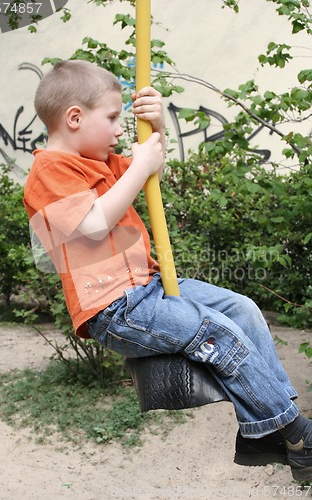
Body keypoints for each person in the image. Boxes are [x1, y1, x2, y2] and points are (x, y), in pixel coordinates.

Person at [23, 60, 311, 481]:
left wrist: (155, 128)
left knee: (242, 309)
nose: (120, 128)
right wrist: (138, 166)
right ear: (74, 117)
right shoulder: (49, 172)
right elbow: (92, 223)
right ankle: (297, 434)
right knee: (217, 332)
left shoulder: (101, 161)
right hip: (115, 308)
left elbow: (151, 169)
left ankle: (267, 432)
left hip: (149, 288)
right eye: (113, 117)